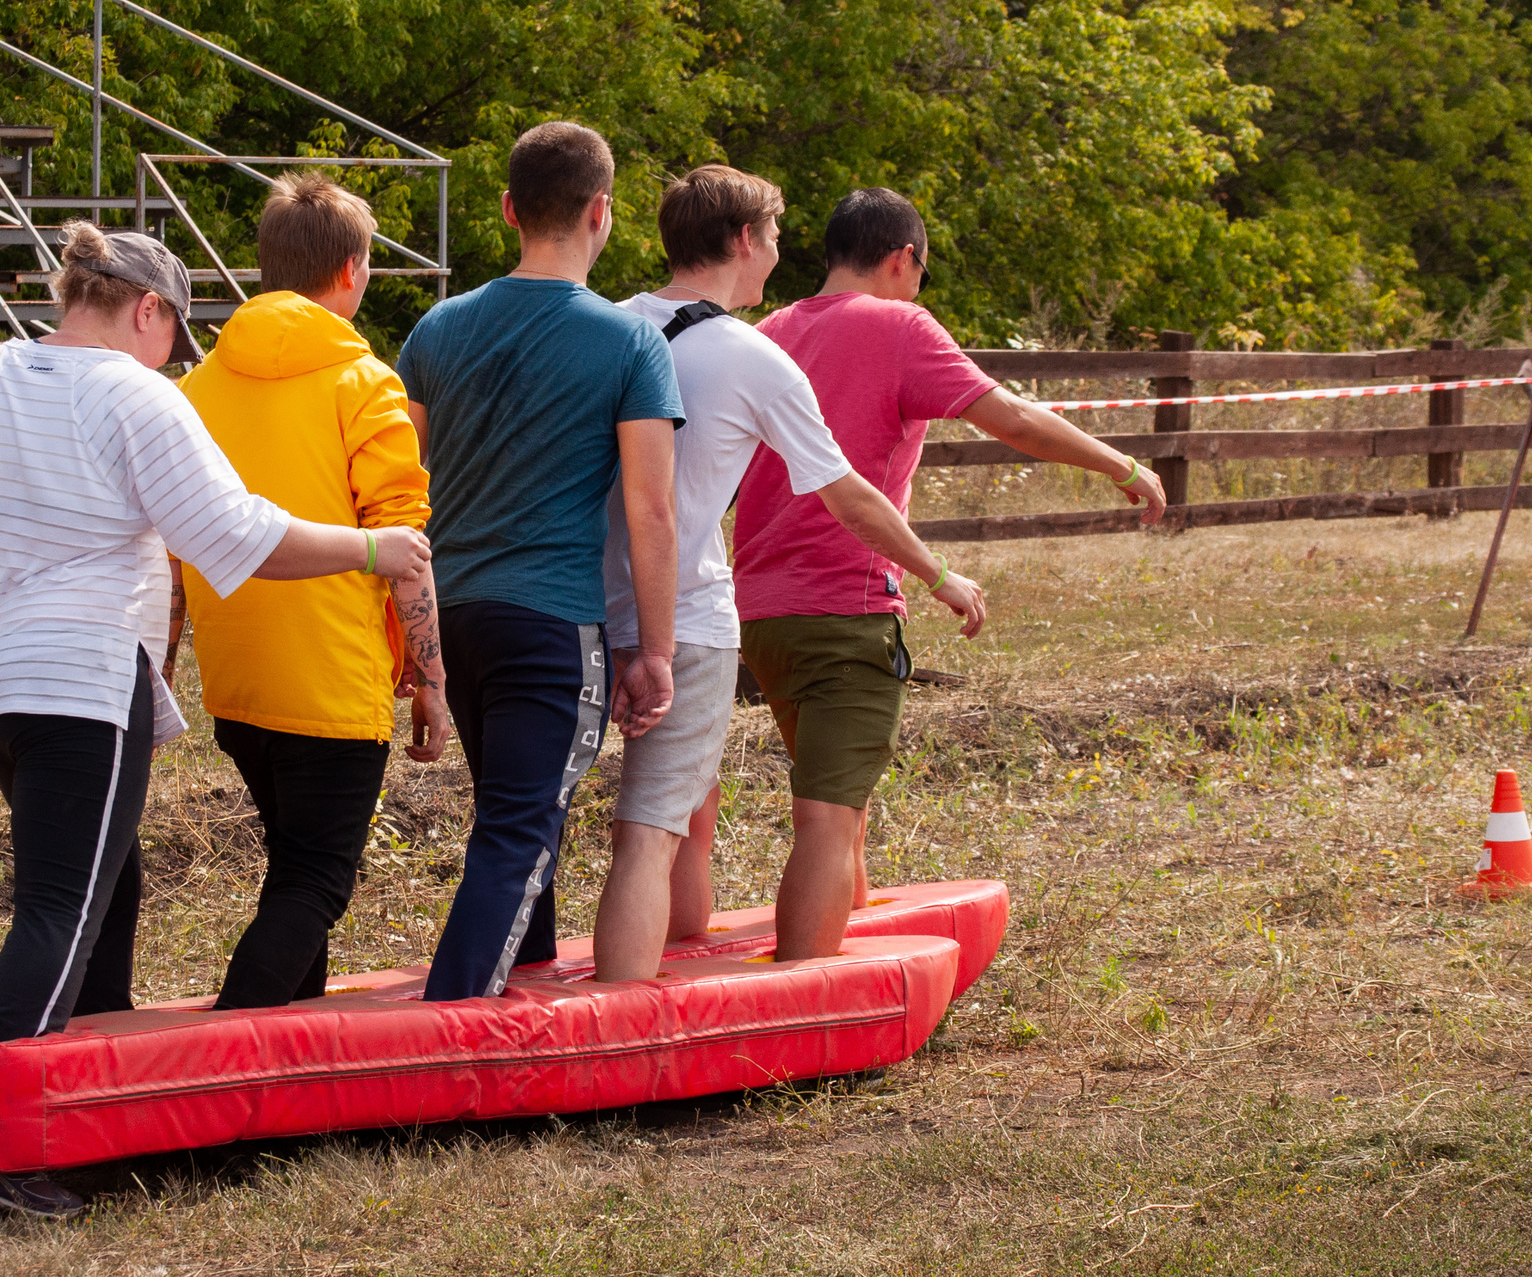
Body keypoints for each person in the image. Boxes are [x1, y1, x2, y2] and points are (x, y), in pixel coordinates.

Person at [0, 223, 429, 1220]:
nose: (171, 359)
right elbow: (236, 534)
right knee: (63, 902)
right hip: (79, 681)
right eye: (172, 338)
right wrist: (370, 550)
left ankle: (94, 1099)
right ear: (147, 312)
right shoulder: (134, 394)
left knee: (110, 879)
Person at [732, 188, 1167, 962]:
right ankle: (806, 995)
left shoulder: (767, 331)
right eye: (920, 272)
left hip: (760, 612)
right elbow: (1016, 421)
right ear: (902, 259)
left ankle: (847, 926)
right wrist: (1121, 463)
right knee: (827, 819)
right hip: (847, 606)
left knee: (842, 798)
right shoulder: (900, 325)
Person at [588, 165, 987, 984]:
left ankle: (663, 951)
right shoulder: (752, 349)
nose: (778, 252)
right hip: (684, 614)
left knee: (580, 823)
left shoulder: (606, 324)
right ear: (743, 241)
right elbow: (846, 493)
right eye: (772, 236)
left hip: (575, 606)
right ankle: (636, 1013)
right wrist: (937, 571)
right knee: (655, 829)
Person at [396, 121, 685, 1001]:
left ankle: (528, 982)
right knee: (519, 831)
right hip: (550, 623)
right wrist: (658, 651)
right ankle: (448, 1033)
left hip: (460, 617)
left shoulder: (436, 328)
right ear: (602, 211)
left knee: (519, 816)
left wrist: (415, 643)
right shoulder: (631, 344)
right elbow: (650, 512)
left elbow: (404, 488)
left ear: (510, 209)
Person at [166, 171, 449, 1009]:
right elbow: (405, 547)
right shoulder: (364, 384)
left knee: (293, 863)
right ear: (354, 270)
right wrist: (431, 679)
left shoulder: (196, 387)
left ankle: (281, 1064)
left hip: (238, 673)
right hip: (330, 675)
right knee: (317, 882)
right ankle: (223, 1054)